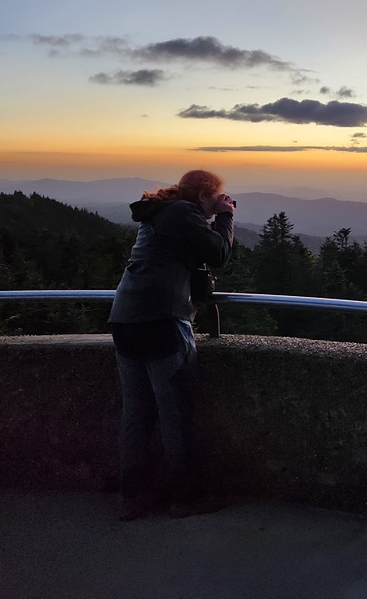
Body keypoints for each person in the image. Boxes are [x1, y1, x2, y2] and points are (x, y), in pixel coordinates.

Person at [108, 169, 235, 520]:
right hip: (162, 321)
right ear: (203, 195)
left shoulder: (162, 213)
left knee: (136, 412)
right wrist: (225, 217)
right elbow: (219, 253)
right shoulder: (183, 212)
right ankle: (186, 497)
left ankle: (132, 498)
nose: (220, 203)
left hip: (126, 318)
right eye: (217, 197)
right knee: (174, 413)